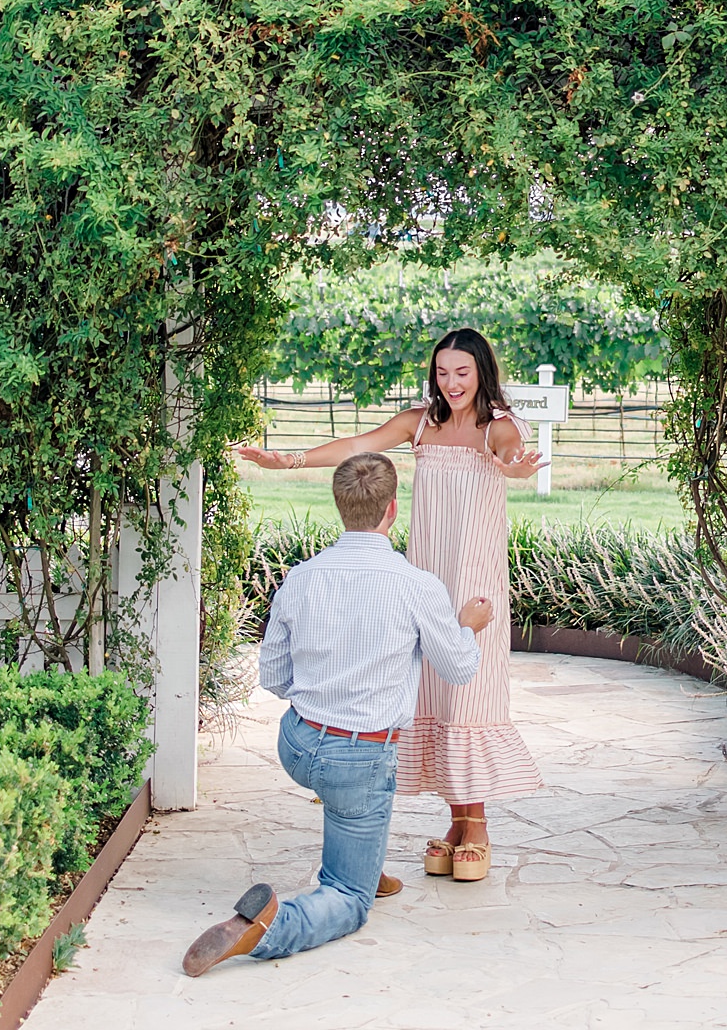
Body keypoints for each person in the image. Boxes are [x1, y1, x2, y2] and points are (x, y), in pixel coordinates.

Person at [236, 326, 543, 882]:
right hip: (427, 572)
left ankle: (477, 826)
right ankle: (457, 822)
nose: (451, 383)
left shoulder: (496, 427)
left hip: (472, 575)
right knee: (437, 687)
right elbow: (358, 446)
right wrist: (286, 461)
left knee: (467, 692)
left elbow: (510, 453)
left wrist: (516, 466)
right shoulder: (421, 422)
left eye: (463, 372)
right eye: (443, 371)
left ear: (482, 372)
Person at [183, 451, 494, 976]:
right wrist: (467, 624)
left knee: (345, 793)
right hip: (358, 759)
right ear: (392, 510)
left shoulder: (301, 579)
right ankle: (267, 926)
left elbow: (274, 678)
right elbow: (460, 669)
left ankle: (364, 862)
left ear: (340, 506)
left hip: (298, 744)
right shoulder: (417, 586)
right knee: (349, 898)